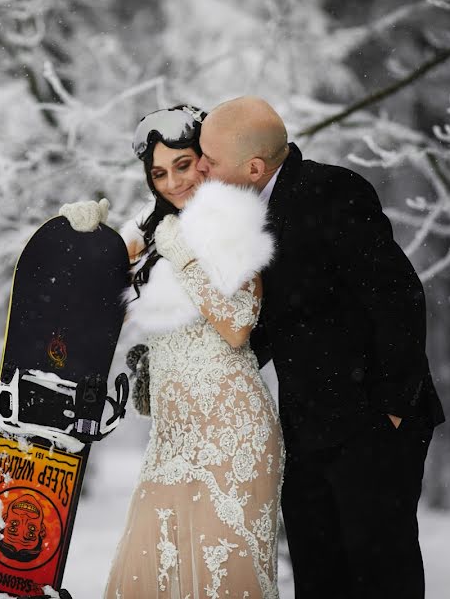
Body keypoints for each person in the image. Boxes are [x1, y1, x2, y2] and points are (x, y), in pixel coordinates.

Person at [196, 96, 446, 599]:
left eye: (209, 159)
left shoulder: (332, 192)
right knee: (318, 578)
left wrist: (391, 410)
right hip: (307, 432)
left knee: (380, 579)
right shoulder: (246, 212)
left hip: (371, 426)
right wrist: (193, 361)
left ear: (253, 167)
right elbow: (271, 320)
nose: (200, 168)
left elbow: (397, 295)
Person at [60, 105, 285, 598]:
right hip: (172, 439)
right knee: (142, 584)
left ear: (204, 160)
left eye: (183, 165)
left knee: (223, 585)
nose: (173, 183)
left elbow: (237, 324)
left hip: (233, 436)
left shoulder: (233, 220)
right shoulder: (153, 233)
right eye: (159, 173)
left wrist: (182, 253)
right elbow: (91, 310)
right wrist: (82, 245)